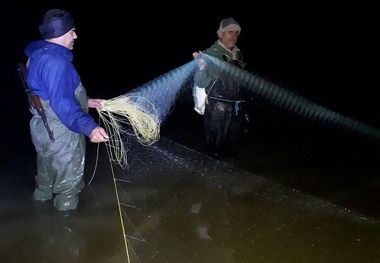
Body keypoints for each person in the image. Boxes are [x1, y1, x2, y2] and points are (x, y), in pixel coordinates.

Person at [23, 9, 109, 211]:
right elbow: (62, 105)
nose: (75, 36)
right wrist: (89, 128)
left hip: (43, 128)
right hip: (62, 130)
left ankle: (38, 220)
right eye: (72, 32)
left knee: (45, 182)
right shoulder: (56, 63)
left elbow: (49, 93)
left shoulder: (37, 54)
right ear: (61, 33)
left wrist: (86, 102)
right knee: (68, 188)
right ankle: (67, 230)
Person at [193, 17, 247, 151]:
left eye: (236, 32)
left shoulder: (239, 55)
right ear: (220, 34)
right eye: (230, 32)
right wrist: (201, 68)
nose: (233, 35)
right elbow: (200, 82)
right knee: (215, 145)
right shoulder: (210, 54)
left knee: (230, 145)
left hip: (236, 105)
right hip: (217, 107)